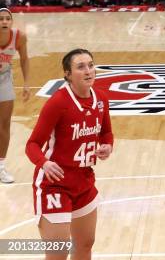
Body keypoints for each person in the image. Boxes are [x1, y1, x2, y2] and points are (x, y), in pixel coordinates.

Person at [25, 49, 113, 260]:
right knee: (59, 251)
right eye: (80, 67)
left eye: (91, 65)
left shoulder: (100, 99)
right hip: (54, 183)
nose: (88, 70)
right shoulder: (58, 103)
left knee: (85, 244)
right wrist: (44, 163)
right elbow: (32, 144)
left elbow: (107, 133)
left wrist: (108, 146)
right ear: (67, 74)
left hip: (83, 179)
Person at [0, 8, 30, 183]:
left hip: (4, 79)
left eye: (7, 19)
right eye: (1, 19)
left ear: (11, 21)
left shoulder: (19, 37)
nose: (4, 22)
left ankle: (1, 167)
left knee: (3, 125)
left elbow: (24, 59)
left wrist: (27, 83)